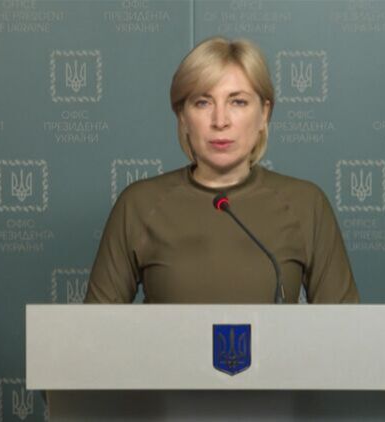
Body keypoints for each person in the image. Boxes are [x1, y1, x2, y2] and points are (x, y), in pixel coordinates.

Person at [84, 37, 359, 304]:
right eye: (203, 102)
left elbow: (345, 327)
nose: (220, 121)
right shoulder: (139, 204)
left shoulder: (307, 204)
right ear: (183, 117)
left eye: (237, 102)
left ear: (264, 114)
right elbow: (94, 328)